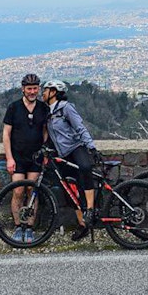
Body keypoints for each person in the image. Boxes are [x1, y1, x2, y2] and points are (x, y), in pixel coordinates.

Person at [42, 79, 99, 241]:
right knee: (69, 189)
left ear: (54, 92)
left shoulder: (66, 108)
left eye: (46, 90)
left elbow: (80, 127)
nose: (43, 93)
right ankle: (83, 224)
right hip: (62, 154)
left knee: (85, 168)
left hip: (76, 148)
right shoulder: (48, 112)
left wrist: (92, 147)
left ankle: (90, 209)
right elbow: (49, 135)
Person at [2, 73, 49, 243]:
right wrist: (9, 158)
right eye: (29, 88)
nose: (32, 91)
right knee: (18, 191)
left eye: (35, 88)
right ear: (23, 89)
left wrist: (45, 151)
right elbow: (6, 134)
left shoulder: (43, 108)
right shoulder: (13, 108)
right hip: (17, 156)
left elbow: (45, 130)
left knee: (32, 191)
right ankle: (17, 226)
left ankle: (29, 227)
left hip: (35, 157)